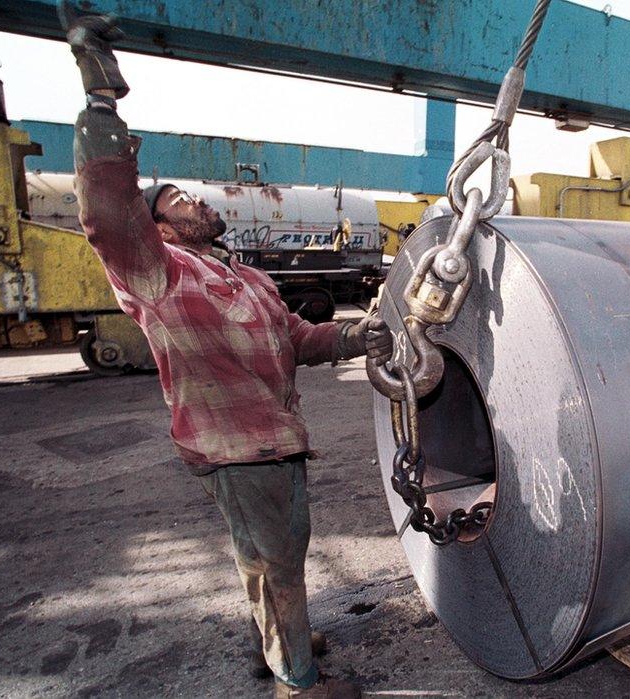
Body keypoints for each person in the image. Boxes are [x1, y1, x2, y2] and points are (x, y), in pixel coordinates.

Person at [66, 13, 388, 698]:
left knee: (274, 555)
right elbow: (106, 210)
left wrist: (361, 336)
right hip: (236, 448)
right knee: (276, 563)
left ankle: (275, 637)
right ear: (155, 225)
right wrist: (100, 105)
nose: (201, 200)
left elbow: (297, 340)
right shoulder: (159, 273)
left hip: (274, 441)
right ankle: (298, 682)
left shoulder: (244, 275)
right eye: (182, 198)